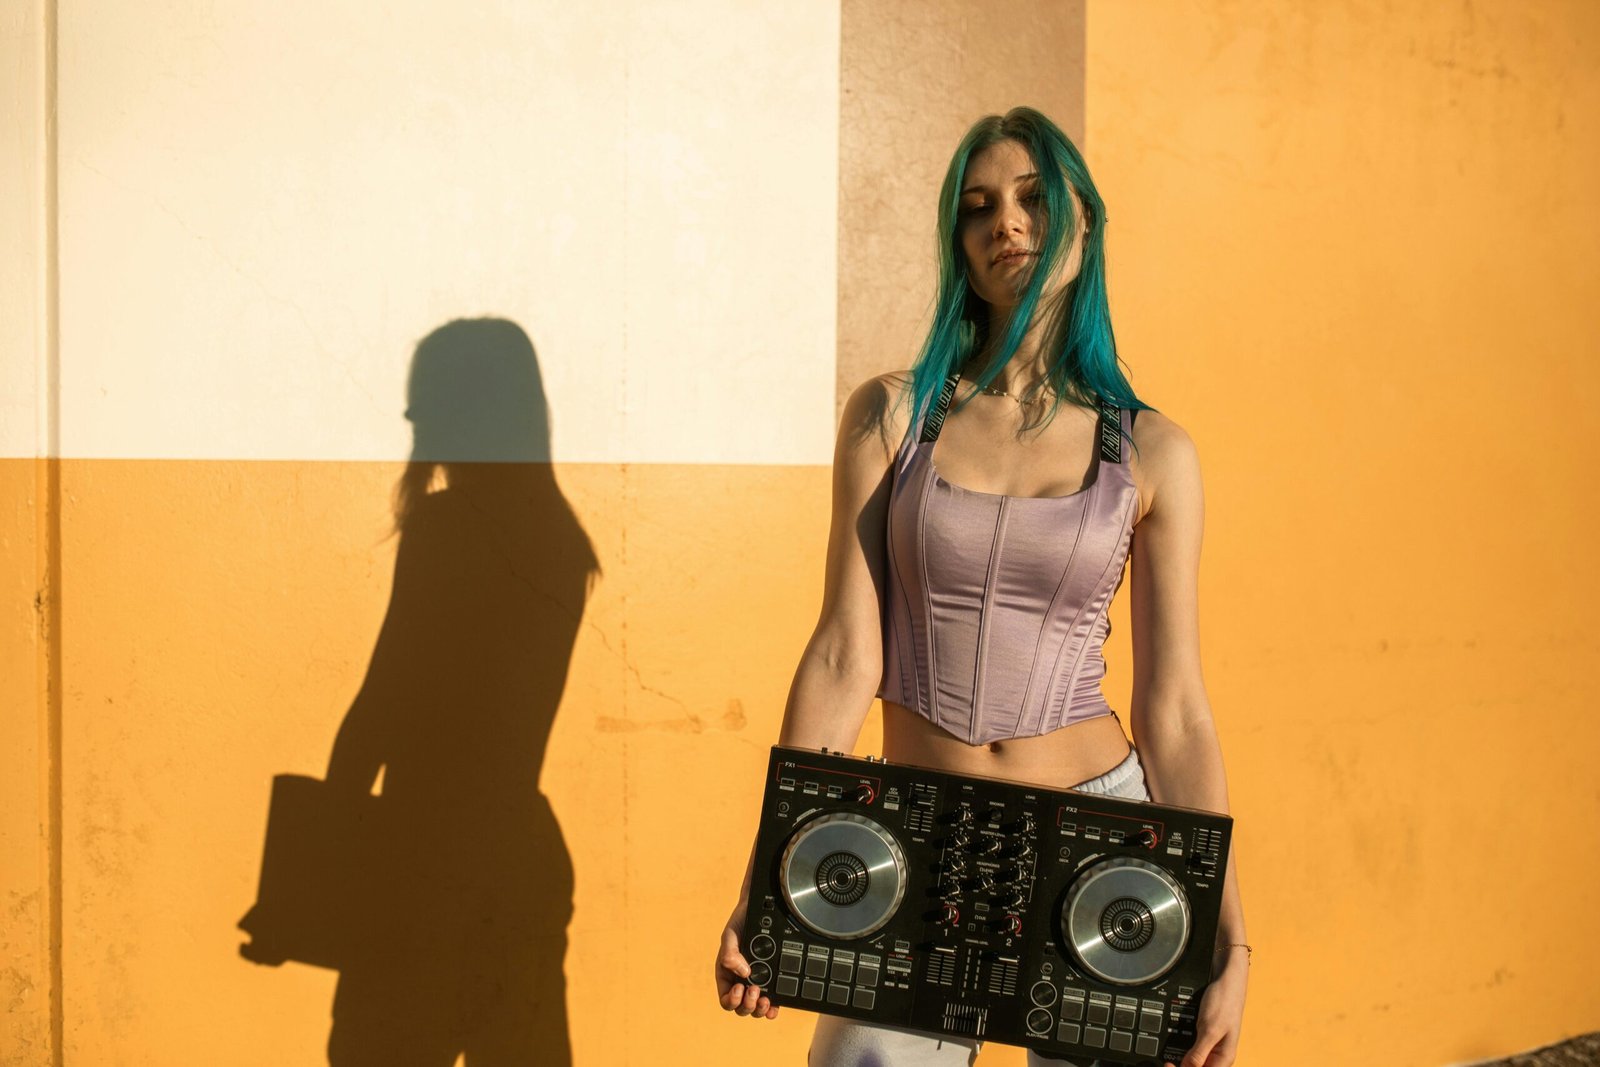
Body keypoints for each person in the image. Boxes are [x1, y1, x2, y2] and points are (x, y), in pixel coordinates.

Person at [714, 106, 1249, 1067]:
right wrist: (767, 879)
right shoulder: (892, 415)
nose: (1007, 223)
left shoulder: (1155, 450)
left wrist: (1226, 938)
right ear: (958, 245)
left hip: (1100, 834)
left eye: (1035, 198)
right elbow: (843, 653)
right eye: (978, 207)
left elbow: (1175, 709)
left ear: (1084, 221)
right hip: (913, 840)